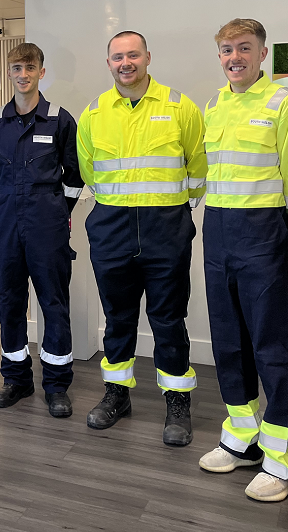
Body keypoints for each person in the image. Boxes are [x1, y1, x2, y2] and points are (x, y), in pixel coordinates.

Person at [197, 18, 288, 502]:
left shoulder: (285, 103)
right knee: (228, 339)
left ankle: (282, 457)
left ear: (263, 54)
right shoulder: (214, 103)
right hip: (218, 229)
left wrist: (285, 232)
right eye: (226, 50)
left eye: (244, 48)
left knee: (270, 343)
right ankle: (242, 435)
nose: (234, 57)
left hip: (262, 231)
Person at [76, 31, 207, 444]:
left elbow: (198, 167)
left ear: (148, 57)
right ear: (109, 62)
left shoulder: (179, 106)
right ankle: (117, 394)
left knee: (168, 318)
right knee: (118, 317)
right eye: (117, 57)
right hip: (111, 228)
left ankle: (177, 401)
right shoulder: (94, 113)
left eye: (133, 54)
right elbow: (89, 172)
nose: (125, 63)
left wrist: (171, 207)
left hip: (166, 228)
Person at [0, 43, 83, 418]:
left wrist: (56, 211)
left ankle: (57, 385)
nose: (22, 74)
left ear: (42, 72)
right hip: (7, 223)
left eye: (29, 67)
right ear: (8, 72)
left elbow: (74, 178)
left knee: (53, 302)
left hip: (47, 225)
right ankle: (16, 379)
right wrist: (7, 208)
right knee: (8, 300)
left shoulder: (60, 120)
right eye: (15, 68)